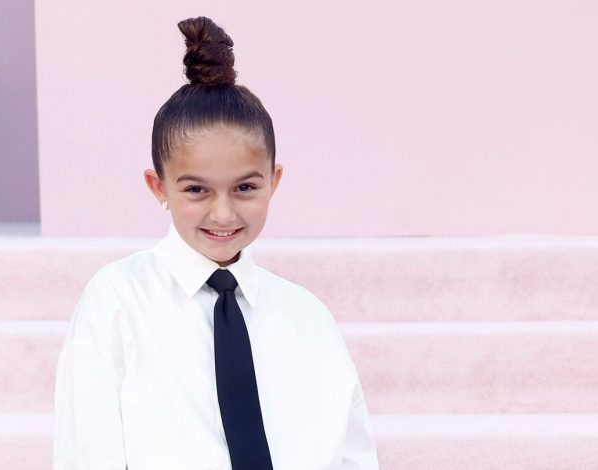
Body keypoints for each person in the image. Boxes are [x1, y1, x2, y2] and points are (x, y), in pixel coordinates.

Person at [53, 16, 378, 470]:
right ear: (158, 187)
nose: (223, 214)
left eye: (245, 188)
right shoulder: (117, 300)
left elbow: (351, 454)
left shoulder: (308, 318)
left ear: (273, 181)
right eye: (196, 190)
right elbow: (86, 451)